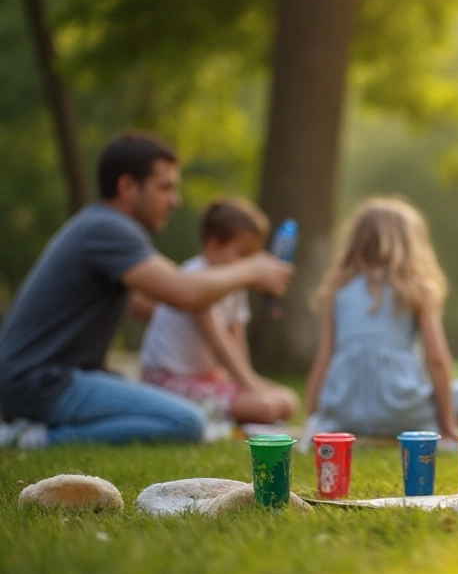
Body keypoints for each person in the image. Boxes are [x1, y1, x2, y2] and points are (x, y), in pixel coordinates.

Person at [0, 133, 293, 448]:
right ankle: (31, 438)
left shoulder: (97, 225)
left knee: (153, 402)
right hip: (40, 382)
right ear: (127, 187)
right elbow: (184, 292)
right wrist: (252, 269)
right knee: (186, 421)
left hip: (39, 379)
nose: (174, 200)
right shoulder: (109, 228)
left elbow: (144, 306)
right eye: (164, 188)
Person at [302, 197, 458, 444]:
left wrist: (313, 416)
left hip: (345, 414)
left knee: (334, 418)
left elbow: (323, 359)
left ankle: (346, 432)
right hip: (403, 413)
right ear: (411, 243)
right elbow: (437, 359)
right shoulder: (416, 289)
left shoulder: (337, 291)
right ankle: (426, 432)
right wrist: (448, 423)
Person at [140, 197, 299, 427]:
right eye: (243, 254)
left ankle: (237, 409)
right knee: (265, 406)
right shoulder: (196, 278)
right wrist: (252, 388)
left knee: (287, 399)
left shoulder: (236, 289)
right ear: (213, 247)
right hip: (168, 380)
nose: (249, 266)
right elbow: (219, 342)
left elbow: (237, 342)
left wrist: (250, 382)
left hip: (207, 378)